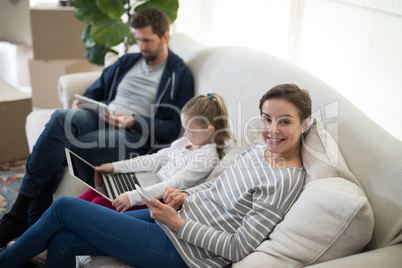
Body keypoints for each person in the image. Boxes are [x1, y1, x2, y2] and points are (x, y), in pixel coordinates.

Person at [0, 84, 311, 268]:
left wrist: (178, 222)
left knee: (64, 208)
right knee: (65, 241)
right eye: (267, 119)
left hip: (186, 249)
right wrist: (187, 196)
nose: (271, 130)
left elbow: (238, 248)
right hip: (173, 216)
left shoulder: (284, 181)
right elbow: (217, 186)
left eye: (284, 121)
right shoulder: (258, 152)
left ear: (305, 124)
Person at [0, 7, 194, 248]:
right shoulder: (129, 60)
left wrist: (135, 121)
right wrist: (84, 103)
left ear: (165, 37)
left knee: (59, 145)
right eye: (138, 39)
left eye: (147, 40)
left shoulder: (179, 74)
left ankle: (23, 217)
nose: (141, 46)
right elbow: (97, 88)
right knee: (62, 118)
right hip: (103, 116)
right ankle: (25, 217)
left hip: (133, 134)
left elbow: (176, 126)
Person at [80, 93, 232, 212]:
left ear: (209, 130)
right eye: (184, 128)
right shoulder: (186, 142)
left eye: (190, 131)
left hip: (160, 201)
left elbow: (175, 184)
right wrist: (114, 167)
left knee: (99, 203)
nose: (185, 134)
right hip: (151, 185)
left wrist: (131, 197)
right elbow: (155, 159)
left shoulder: (206, 157)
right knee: (93, 194)